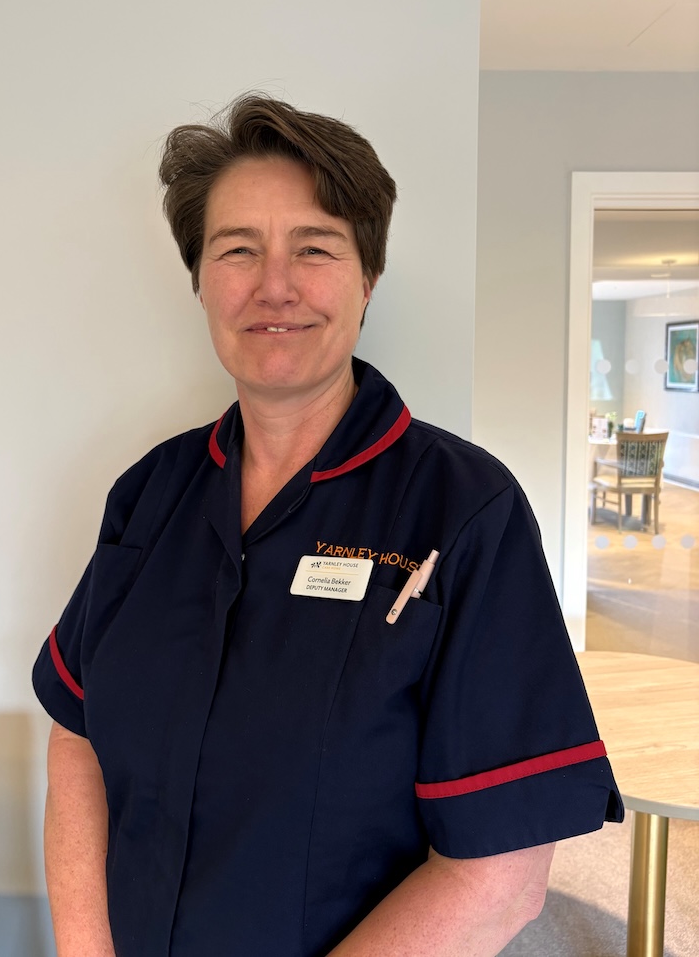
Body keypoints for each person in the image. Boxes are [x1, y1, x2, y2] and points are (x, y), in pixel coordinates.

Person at [33, 95, 623, 957]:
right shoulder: (148, 495)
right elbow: (77, 731)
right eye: (238, 249)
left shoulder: (466, 511)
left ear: (367, 277)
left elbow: (500, 875)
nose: (274, 285)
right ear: (200, 280)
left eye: (314, 247)